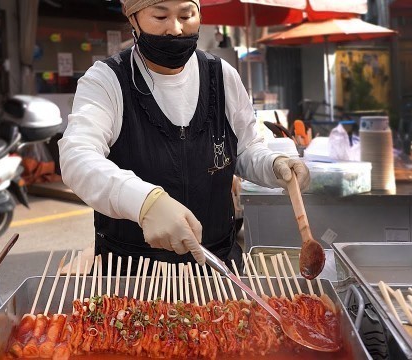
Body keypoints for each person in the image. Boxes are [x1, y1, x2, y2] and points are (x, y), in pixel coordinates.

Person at [58, 0, 310, 272]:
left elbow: (245, 149)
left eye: (187, 15)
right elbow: (77, 157)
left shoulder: (222, 75)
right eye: (160, 16)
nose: (175, 29)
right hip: (131, 274)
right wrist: (145, 202)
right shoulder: (106, 81)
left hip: (217, 265)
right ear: (133, 19)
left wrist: (273, 165)